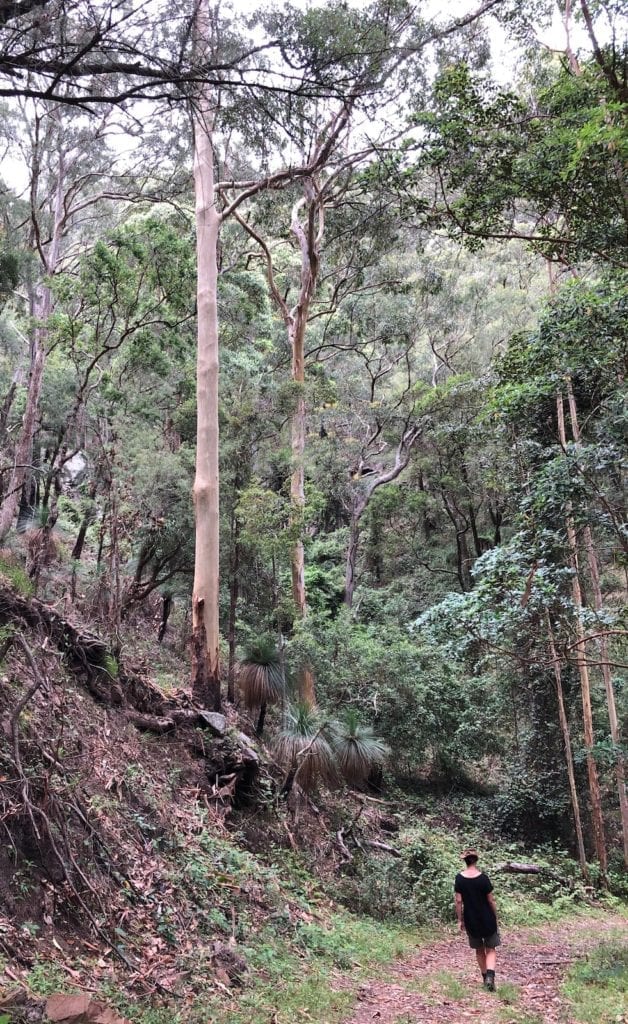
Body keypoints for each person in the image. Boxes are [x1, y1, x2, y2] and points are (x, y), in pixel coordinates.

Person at [454, 847, 500, 991]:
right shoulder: (483, 878)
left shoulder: (459, 878)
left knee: (479, 949)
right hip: (487, 918)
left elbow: (458, 901)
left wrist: (460, 920)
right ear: (476, 860)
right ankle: (490, 977)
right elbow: (491, 900)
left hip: (471, 919)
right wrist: (495, 916)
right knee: (491, 948)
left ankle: (484, 976)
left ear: (465, 861)